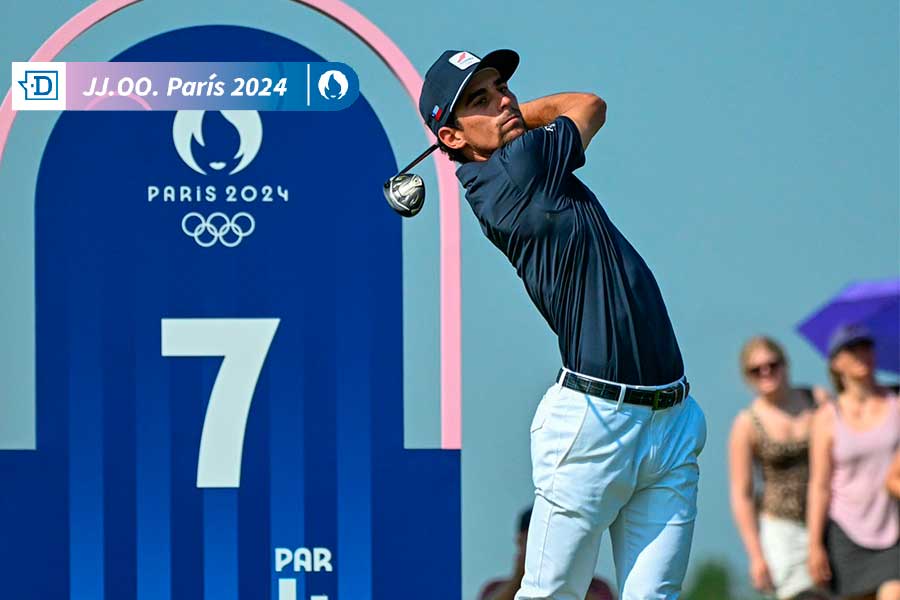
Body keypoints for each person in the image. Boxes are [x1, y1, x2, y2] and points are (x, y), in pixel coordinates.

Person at [418, 49, 706, 599]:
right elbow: (587, 104)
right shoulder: (513, 168)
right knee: (552, 595)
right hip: (595, 422)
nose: (504, 100)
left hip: (670, 418)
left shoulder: (522, 162)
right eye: (480, 100)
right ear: (452, 139)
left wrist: (496, 116)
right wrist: (520, 117)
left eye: (501, 87)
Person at [728, 336, 829, 599]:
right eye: (756, 369)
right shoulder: (747, 424)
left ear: (785, 364)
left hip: (831, 516)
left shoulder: (817, 401)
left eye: (772, 365)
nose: (766, 373)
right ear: (747, 377)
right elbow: (742, 495)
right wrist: (756, 555)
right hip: (782, 525)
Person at [806, 325, 900, 600]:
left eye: (866, 346)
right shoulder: (827, 417)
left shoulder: (896, 403)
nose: (862, 354)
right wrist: (814, 545)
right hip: (845, 529)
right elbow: (820, 485)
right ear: (836, 362)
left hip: (892, 525)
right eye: (852, 349)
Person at [478, 508, 615, 600]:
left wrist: (566, 574)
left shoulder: (597, 587)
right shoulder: (495, 587)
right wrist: (521, 576)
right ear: (521, 541)